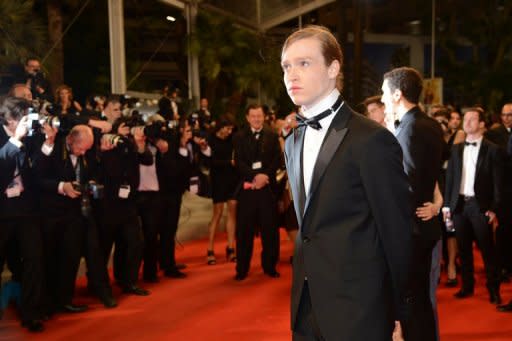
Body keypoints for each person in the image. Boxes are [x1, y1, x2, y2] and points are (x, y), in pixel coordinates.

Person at [281, 25, 412, 340]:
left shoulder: (371, 139)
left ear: (333, 68)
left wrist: (401, 314)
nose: (291, 75)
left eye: (304, 63)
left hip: (360, 312)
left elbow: (397, 233)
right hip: (306, 308)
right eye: (286, 66)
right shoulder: (292, 140)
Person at [381, 66, 445, 341]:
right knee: (420, 299)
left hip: (411, 229)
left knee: (411, 301)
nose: (382, 99)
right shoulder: (429, 124)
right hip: (424, 224)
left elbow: (407, 184)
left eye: (384, 93)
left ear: (397, 94)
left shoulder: (409, 129)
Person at [443, 107, 503, 306]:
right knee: (464, 249)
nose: (466, 123)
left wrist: (493, 208)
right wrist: (447, 206)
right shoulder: (456, 149)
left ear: (482, 124)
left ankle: (494, 289)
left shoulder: (492, 149)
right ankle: (467, 286)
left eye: (472, 119)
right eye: (465, 119)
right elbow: (450, 179)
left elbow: (498, 183)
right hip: (459, 205)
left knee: (487, 250)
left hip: (480, 205)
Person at [233, 105, 281, 281]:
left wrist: (264, 177)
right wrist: (255, 177)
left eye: (259, 116)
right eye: (253, 116)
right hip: (248, 190)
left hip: (267, 190)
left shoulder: (272, 135)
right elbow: (239, 162)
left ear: (264, 117)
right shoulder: (238, 137)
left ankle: (270, 267)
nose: (256, 119)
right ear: (247, 118)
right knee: (244, 232)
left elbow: (277, 159)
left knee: (270, 231)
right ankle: (242, 269)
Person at [206, 115, 238, 265]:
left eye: (231, 129)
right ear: (221, 127)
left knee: (232, 210)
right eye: (228, 128)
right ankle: (210, 249)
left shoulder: (232, 140)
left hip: (232, 179)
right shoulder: (210, 139)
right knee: (217, 213)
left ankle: (231, 247)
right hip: (218, 180)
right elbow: (210, 162)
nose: (229, 131)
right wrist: (228, 162)